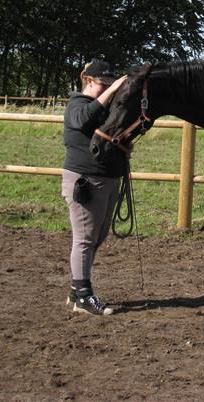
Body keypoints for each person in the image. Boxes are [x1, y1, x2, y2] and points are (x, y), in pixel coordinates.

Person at [61, 59, 128, 316]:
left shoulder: (102, 108)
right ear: (89, 80)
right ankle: (84, 297)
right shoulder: (77, 104)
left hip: (107, 178)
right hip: (85, 179)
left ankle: (76, 289)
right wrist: (112, 91)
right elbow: (82, 121)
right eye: (103, 84)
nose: (107, 89)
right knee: (85, 239)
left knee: (97, 237)